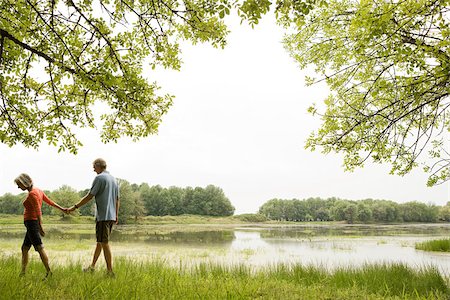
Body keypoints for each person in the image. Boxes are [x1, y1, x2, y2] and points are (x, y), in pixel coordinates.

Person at [68, 158, 119, 277]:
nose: (93, 169)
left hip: (103, 217)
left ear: (98, 165)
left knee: (104, 243)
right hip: (111, 216)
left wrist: (74, 207)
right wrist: (116, 215)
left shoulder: (99, 178)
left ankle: (110, 272)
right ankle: (92, 267)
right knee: (100, 242)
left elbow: (90, 196)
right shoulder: (114, 179)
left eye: (94, 167)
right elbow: (117, 199)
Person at [14, 173, 67, 279]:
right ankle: (23, 273)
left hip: (32, 224)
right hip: (31, 225)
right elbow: (50, 202)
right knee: (24, 248)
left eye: (19, 184)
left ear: (25, 183)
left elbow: (38, 211)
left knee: (39, 247)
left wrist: (40, 227)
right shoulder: (38, 190)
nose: (18, 187)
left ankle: (49, 272)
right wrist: (62, 209)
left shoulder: (33, 194)